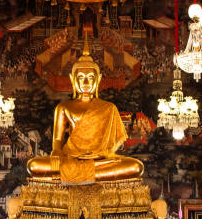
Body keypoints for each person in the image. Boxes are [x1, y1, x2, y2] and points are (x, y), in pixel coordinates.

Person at [26, 36, 143, 184]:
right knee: (34, 165)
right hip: (71, 158)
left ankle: (81, 175)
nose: (86, 82)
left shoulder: (109, 108)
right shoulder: (64, 107)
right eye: (81, 77)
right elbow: (57, 140)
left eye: (90, 77)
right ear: (73, 79)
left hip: (100, 160)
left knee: (135, 167)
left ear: (98, 79)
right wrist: (56, 152)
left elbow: (113, 146)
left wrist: (104, 156)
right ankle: (91, 175)